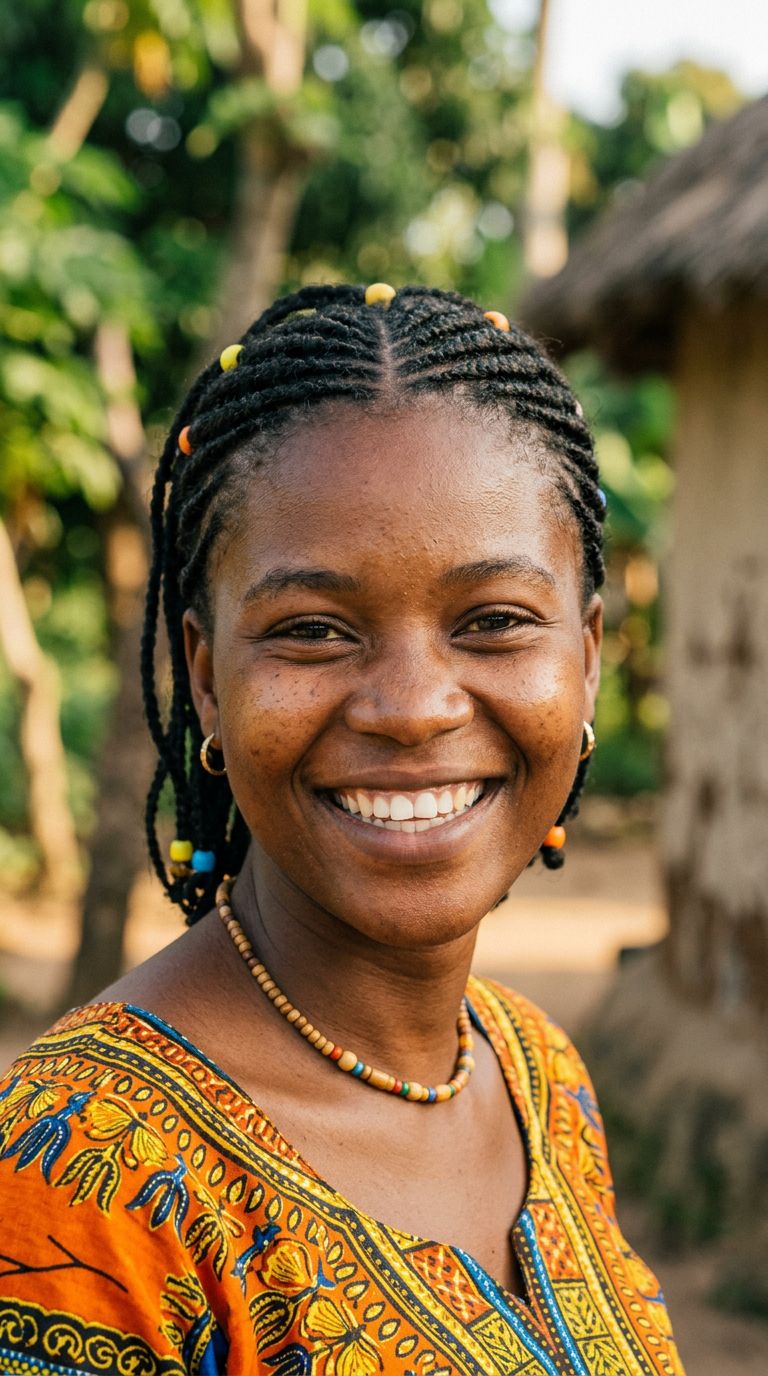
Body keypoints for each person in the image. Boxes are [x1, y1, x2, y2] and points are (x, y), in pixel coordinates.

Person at [0, 283, 685, 1376]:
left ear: (589, 654)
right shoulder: (77, 1182)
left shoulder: (537, 1074)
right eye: (312, 630)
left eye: (495, 620)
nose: (413, 707)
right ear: (208, 677)